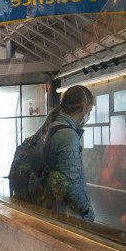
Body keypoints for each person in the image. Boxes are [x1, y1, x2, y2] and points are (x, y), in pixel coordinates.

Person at [46, 85, 96, 221]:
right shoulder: (68, 136)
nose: (88, 115)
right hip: (66, 214)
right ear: (84, 107)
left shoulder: (52, 126)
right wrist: (87, 210)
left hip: (51, 208)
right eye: (90, 110)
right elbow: (71, 185)